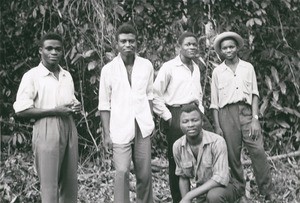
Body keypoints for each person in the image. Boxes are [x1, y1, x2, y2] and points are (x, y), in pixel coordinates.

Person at [13, 32, 80, 203]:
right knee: (49, 185)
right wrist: (54, 111)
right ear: (40, 51)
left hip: (69, 127)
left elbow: (69, 101)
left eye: (58, 49)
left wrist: (75, 106)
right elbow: (21, 110)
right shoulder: (32, 76)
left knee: (70, 182)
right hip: (46, 128)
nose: (54, 52)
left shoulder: (66, 76)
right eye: (49, 48)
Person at [210, 31, 275, 202]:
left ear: (237, 47)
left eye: (231, 47)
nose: (228, 50)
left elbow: (254, 94)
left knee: (258, 150)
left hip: (246, 112)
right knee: (233, 155)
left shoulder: (248, 67)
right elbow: (214, 103)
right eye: (225, 48)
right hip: (226, 115)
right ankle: (240, 192)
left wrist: (255, 118)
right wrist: (217, 126)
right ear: (220, 51)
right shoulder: (217, 72)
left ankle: (267, 191)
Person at [153, 31, 213, 203]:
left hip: (195, 111)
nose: (192, 47)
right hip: (176, 113)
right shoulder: (170, 67)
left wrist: (200, 109)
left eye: (194, 44)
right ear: (179, 47)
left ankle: (206, 196)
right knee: (177, 160)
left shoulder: (196, 67)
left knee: (209, 149)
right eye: (188, 44)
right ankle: (179, 199)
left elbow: (198, 93)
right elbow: (154, 93)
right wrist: (168, 116)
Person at [98, 23, 154, 203]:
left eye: (131, 41)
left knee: (144, 174)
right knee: (121, 171)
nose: (127, 44)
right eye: (123, 41)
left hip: (142, 125)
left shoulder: (146, 65)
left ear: (137, 42)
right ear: (116, 44)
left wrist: (150, 120)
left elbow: (149, 95)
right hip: (119, 126)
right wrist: (106, 134)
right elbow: (104, 104)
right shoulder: (108, 70)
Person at [173, 104, 243, 203]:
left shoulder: (217, 142)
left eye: (194, 120)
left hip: (226, 187)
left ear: (202, 121)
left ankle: (239, 200)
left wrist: (189, 195)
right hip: (202, 192)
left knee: (214, 196)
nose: (190, 125)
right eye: (185, 121)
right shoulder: (178, 146)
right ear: (180, 124)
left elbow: (220, 178)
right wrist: (185, 199)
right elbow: (183, 177)